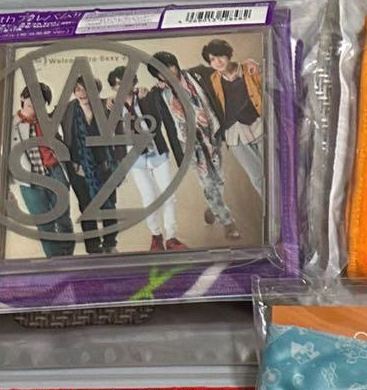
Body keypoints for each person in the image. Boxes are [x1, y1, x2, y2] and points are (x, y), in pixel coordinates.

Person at [146, 52, 241, 242]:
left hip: (211, 134)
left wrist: (244, 66)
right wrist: (142, 92)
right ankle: (227, 222)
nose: (167, 73)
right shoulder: (159, 93)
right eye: (161, 72)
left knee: (219, 178)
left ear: (175, 64)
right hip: (189, 144)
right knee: (207, 182)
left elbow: (223, 71)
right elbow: (142, 104)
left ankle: (214, 207)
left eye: (169, 66)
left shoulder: (198, 73)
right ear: (158, 76)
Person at [106, 65, 185, 252]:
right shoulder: (111, 106)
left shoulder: (146, 97)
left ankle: (171, 237)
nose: (122, 87)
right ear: (114, 87)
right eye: (118, 84)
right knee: (148, 199)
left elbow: (161, 99)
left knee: (169, 196)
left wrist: (147, 94)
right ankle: (156, 236)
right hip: (135, 159)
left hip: (157, 153)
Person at [10, 83, 74, 258]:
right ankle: (56, 262)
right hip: (29, 181)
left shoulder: (47, 121)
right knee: (44, 225)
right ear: (22, 98)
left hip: (54, 173)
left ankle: (68, 258)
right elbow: (2, 156)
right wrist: (5, 187)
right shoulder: (10, 124)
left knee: (63, 219)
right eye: (31, 98)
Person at [60, 76, 119, 254]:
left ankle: (110, 243)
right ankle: (93, 247)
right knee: (86, 208)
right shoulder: (68, 109)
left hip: (104, 167)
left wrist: (141, 91)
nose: (82, 92)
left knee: (109, 206)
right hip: (79, 169)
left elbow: (126, 107)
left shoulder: (106, 105)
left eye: (86, 88)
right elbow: (47, 121)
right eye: (78, 89)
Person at [199, 38, 264, 196]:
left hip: (259, 127)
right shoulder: (212, 79)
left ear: (228, 54)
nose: (217, 62)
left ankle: (287, 206)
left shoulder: (249, 69)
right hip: (235, 136)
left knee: (275, 171)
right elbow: (184, 74)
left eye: (220, 56)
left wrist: (253, 63)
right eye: (212, 59)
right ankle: (273, 210)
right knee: (257, 178)